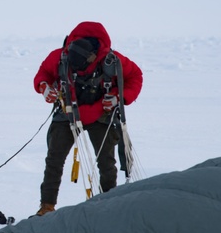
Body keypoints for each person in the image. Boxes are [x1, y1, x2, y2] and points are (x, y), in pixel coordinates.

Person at [32, 21, 142, 216]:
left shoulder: (113, 60)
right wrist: (44, 87)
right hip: (67, 113)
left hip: (100, 115)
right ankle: (47, 206)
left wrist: (118, 97)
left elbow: (135, 76)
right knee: (54, 160)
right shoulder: (59, 57)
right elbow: (44, 74)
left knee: (106, 163)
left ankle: (107, 206)